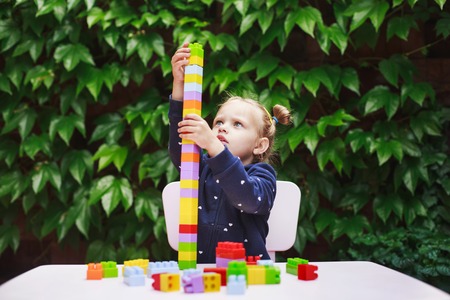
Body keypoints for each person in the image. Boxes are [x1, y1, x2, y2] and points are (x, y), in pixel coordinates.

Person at [168, 42, 291, 263]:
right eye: (219, 122)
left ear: (260, 145)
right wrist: (180, 87)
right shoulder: (202, 168)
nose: (223, 127)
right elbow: (181, 147)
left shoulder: (263, 176)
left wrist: (214, 147)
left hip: (250, 276)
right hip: (201, 274)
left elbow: (248, 198)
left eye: (237, 124)